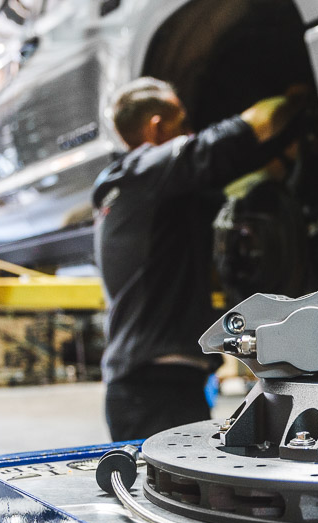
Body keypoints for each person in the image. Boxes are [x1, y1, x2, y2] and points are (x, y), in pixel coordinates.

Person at [92, 77, 306, 441]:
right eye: (183, 124)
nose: (190, 132)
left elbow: (237, 182)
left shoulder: (134, 192)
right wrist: (297, 97)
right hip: (156, 390)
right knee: (170, 478)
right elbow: (247, 129)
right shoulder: (146, 169)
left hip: (151, 383)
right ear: (157, 127)